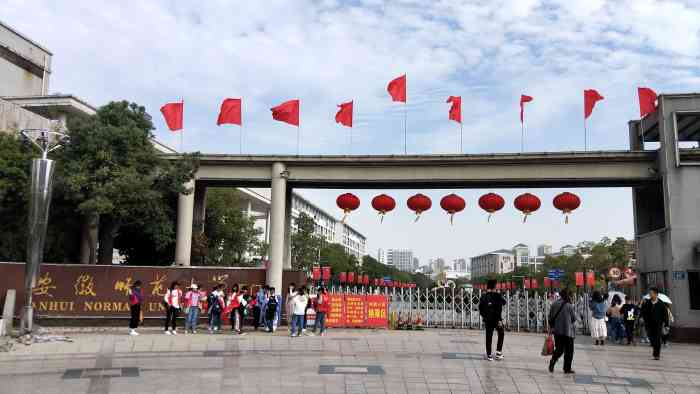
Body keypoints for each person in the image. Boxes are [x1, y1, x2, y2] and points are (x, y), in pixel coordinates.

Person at [548, 288, 577, 374]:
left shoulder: (554, 304)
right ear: (568, 296)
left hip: (557, 331)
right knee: (569, 351)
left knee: (559, 349)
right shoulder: (569, 305)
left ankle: (553, 360)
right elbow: (574, 319)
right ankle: (567, 368)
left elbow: (550, 317)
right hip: (568, 332)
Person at [478, 279, 506, 361]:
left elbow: (480, 308)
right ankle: (498, 353)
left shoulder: (484, 296)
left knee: (489, 336)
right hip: (497, 320)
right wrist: (499, 320)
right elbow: (503, 303)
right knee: (501, 334)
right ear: (495, 286)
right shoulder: (497, 295)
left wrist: (484, 316)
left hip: (488, 320)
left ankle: (489, 355)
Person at [641, 287, 669, 360]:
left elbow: (665, 315)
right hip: (649, 324)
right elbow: (643, 311)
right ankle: (655, 349)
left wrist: (666, 325)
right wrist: (642, 317)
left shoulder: (661, 304)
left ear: (656, 294)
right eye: (649, 293)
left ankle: (656, 355)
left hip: (658, 324)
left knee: (657, 339)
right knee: (652, 338)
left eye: (651, 293)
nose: (650, 295)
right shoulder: (647, 303)